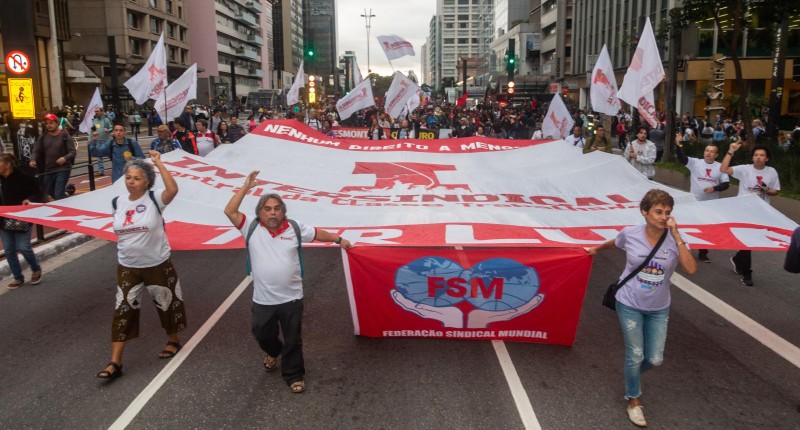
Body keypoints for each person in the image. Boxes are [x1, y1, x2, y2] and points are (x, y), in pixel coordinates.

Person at [224, 171, 352, 394]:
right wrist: (246, 186)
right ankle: (273, 352)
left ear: (283, 211)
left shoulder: (294, 227)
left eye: (277, 208)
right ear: (260, 213)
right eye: (267, 209)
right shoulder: (250, 227)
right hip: (263, 299)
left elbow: (317, 233)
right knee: (262, 333)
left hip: (291, 297)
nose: (273, 213)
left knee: (293, 338)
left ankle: (294, 375)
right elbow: (230, 211)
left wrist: (338, 239)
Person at [587, 189, 697, 428]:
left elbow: (691, 269)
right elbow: (614, 243)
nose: (663, 217)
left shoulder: (674, 239)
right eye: (658, 212)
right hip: (629, 303)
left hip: (659, 308)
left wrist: (677, 235)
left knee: (655, 359)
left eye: (667, 213)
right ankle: (633, 400)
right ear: (644, 212)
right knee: (635, 354)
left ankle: (631, 372)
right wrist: (595, 250)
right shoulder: (631, 233)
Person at [96, 151, 186, 380]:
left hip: (157, 263)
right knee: (123, 309)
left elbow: (173, 191)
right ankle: (115, 362)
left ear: (147, 181)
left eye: (136, 178)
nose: (131, 182)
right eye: (128, 178)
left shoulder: (155, 199)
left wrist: (159, 163)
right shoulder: (118, 202)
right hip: (127, 266)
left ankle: (173, 339)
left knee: (166, 303)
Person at [720, 139, 781, 286]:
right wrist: (731, 151)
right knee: (747, 241)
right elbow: (723, 169)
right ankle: (747, 274)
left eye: (762, 155)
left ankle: (737, 259)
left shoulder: (771, 172)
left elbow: (776, 191)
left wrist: (767, 191)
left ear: (766, 158)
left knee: (751, 242)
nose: (758, 157)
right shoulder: (745, 169)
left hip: (760, 212)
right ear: (752, 157)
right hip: (743, 211)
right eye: (756, 155)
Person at [675, 133, 730, 263]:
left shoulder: (720, 167)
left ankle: (703, 252)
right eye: (707, 151)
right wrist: (678, 144)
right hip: (694, 201)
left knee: (706, 228)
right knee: (688, 225)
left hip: (710, 205)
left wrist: (714, 188)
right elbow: (682, 158)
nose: (709, 153)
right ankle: (682, 247)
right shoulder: (695, 163)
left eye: (712, 152)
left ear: (716, 155)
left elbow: (726, 184)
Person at [0, 153, 44, 289]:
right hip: (3, 219)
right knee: (8, 250)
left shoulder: (23, 177)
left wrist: (30, 200)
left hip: (22, 218)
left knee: (23, 247)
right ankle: (18, 277)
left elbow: (38, 193)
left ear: (7, 164)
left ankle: (36, 268)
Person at [29, 113, 76, 200]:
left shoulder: (65, 136)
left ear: (57, 124)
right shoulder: (43, 137)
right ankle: (67, 203)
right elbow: (36, 150)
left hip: (63, 169)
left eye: (51, 123)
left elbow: (72, 152)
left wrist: (64, 158)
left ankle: (67, 208)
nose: (48, 125)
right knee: (49, 191)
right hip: (49, 169)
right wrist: (33, 159)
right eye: (46, 123)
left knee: (58, 193)